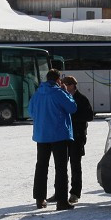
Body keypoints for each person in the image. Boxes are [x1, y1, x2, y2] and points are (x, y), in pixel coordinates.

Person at [28, 69, 77, 210]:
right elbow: (72, 108)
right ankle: (62, 201)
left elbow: (30, 111)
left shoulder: (37, 94)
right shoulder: (59, 92)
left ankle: (39, 198)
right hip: (59, 135)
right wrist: (67, 93)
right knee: (61, 168)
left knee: (41, 167)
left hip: (41, 136)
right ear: (57, 80)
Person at [48, 76, 93, 205]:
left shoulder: (82, 98)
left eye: (66, 84)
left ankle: (75, 193)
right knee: (60, 166)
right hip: (63, 135)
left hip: (77, 136)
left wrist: (72, 116)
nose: (63, 86)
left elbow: (89, 116)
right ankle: (59, 193)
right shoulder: (62, 96)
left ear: (73, 85)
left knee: (75, 165)